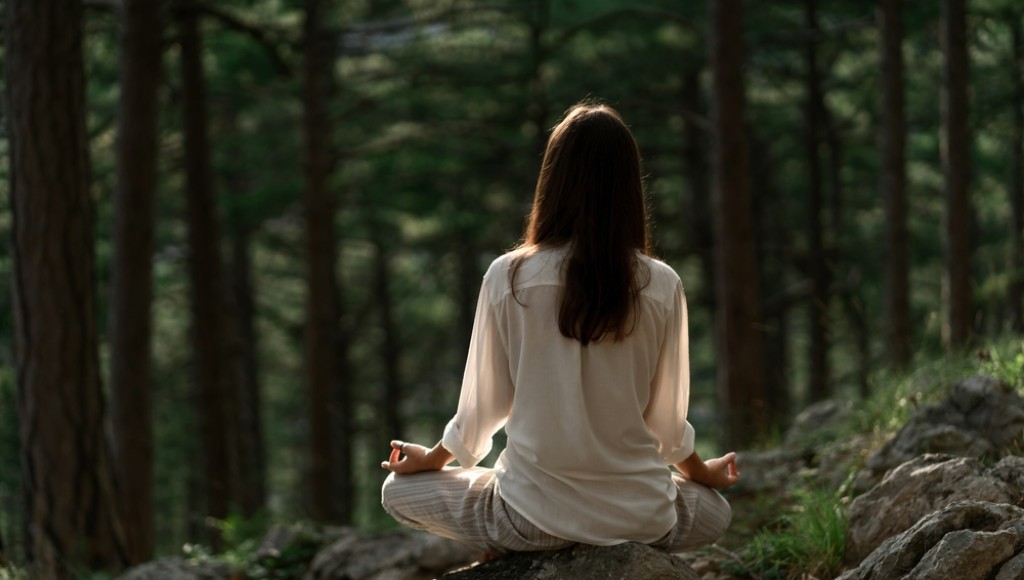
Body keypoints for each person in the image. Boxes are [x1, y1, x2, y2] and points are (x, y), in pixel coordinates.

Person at [380, 101, 739, 556]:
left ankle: (518, 542)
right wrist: (702, 474)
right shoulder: (662, 284)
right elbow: (666, 427)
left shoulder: (507, 276)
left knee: (397, 491)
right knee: (715, 510)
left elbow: (482, 411)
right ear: (630, 187)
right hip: (640, 519)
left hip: (530, 519)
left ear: (553, 182)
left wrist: (432, 460)